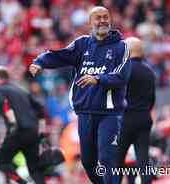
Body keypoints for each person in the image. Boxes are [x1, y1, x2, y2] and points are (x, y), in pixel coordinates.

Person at [29, 6, 131, 184]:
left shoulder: (121, 47)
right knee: (88, 162)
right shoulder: (82, 44)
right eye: (98, 18)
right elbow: (62, 55)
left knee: (108, 159)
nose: (102, 21)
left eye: (105, 17)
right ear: (90, 23)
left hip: (110, 114)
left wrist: (98, 79)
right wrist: (41, 61)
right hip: (84, 113)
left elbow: (122, 77)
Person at [0, 66, 45, 184]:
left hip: (18, 131)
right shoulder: (21, 91)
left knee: (1, 163)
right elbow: (40, 109)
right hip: (32, 133)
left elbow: (3, 103)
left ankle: (22, 182)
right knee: (34, 169)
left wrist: (12, 124)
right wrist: (41, 132)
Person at [117, 37, 156, 184]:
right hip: (144, 118)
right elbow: (152, 99)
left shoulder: (123, 69)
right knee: (143, 160)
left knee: (117, 161)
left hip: (125, 120)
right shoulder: (149, 71)